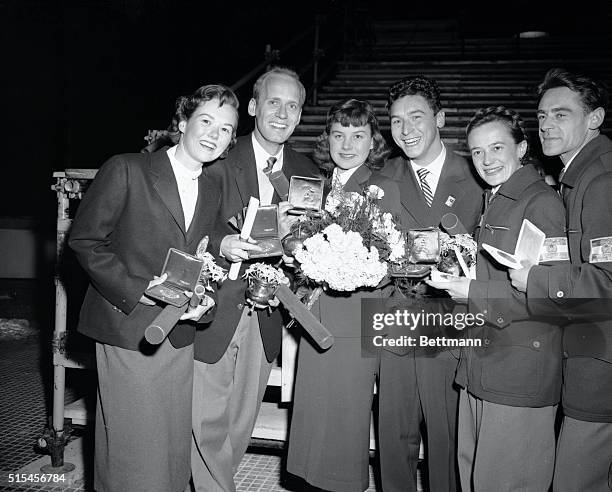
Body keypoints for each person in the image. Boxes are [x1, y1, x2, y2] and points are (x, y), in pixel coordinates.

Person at [68, 84, 239, 492]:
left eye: (227, 129)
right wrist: (143, 289)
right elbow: (85, 242)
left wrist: (219, 256)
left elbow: (199, 242)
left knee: (168, 448)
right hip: (129, 326)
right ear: (182, 123)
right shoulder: (128, 168)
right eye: (206, 122)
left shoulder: (212, 184)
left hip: (178, 332)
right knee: (132, 449)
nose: (215, 135)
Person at [190, 67, 319, 492]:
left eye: (293, 106)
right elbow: (189, 223)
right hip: (216, 302)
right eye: (273, 102)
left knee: (240, 421)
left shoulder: (307, 171)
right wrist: (222, 243)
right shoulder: (221, 154)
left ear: (301, 114)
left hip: (267, 313)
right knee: (205, 419)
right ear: (252, 107)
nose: (282, 114)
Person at [427, 106, 566, 491]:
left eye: (497, 148)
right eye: (476, 152)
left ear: (522, 148)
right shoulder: (498, 199)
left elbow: (552, 297)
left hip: (518, 372)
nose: (486, 161)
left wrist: (470, 291)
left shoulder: (541, 203)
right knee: (476, 477)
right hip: (482, 366)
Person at [285, 98, 401, 492]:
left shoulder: (382, 189)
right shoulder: (317, 186)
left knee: (344, 416)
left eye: (358, 136)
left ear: (373, 142)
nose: (347, 145)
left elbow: (392, 257)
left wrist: (356, 267)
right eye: (338, 134)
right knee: (313, 410)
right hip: (316, 313)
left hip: (355, 317)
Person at [378, 75, 484, 492]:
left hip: (452, 318)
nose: (406, 131)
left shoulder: (476, 175)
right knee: (394, 432)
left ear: (439, 118)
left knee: (448, 435)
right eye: (397, 121)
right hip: (395, 315)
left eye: (416, 117)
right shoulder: (381, 178)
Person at [509, 68, 612, 491]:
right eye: (542, 115)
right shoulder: (577, 175)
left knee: (577, 478)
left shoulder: (601, 180)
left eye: (561, 114)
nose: (547, 125)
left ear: (595, 118)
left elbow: (607, 280)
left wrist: (535, 280)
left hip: (600, 356)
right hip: (587, 346)